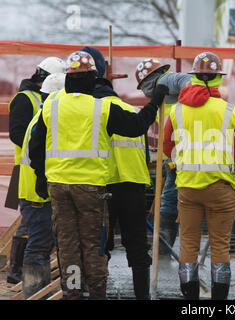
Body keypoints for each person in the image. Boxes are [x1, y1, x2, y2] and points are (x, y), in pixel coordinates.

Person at [28, 51, 161, 300]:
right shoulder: (101, 108)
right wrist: (156, 102)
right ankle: (98, 292)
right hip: (90, 188)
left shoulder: (52, 106)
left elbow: (36, 148)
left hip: (58, 185)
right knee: (93, 243)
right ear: (92, 79)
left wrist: (39, 177)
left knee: (68, 244)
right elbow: (137, 126)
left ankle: (74, 292)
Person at [163, 52, 235, 300]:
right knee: (220, 244)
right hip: (220, 189)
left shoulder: (177, 111)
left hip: (187, 188)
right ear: (217, 80)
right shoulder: (229, 112)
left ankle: (190, 300)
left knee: (188, 243)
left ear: (194, 78)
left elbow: (167, 146)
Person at [80, 47, 152, 300]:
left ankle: (98, 292)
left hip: (102, 185)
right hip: (133, 185)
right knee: (137, 246)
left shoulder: (91, 114)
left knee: (101, 244)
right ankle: (143, 295)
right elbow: (144, 155)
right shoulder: (130, 110)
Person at [6, 57, 66, 284]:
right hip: (24, 170)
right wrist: (40, 149)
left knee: (28, 222)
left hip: (37, 168)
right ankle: (16, 272)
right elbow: (16, 134)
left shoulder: (44, 97)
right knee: (29, 223)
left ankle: (16, 274)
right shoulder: (25, 99)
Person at [135, 58, 192, 255]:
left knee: (169, 200)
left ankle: (163, 251)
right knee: (167, 197)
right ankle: (163, 247)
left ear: (147, 81)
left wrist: (190, 99)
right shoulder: (162, 94)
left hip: (182, 154)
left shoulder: (165, 81)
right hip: (173, 152)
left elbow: (188, 80)